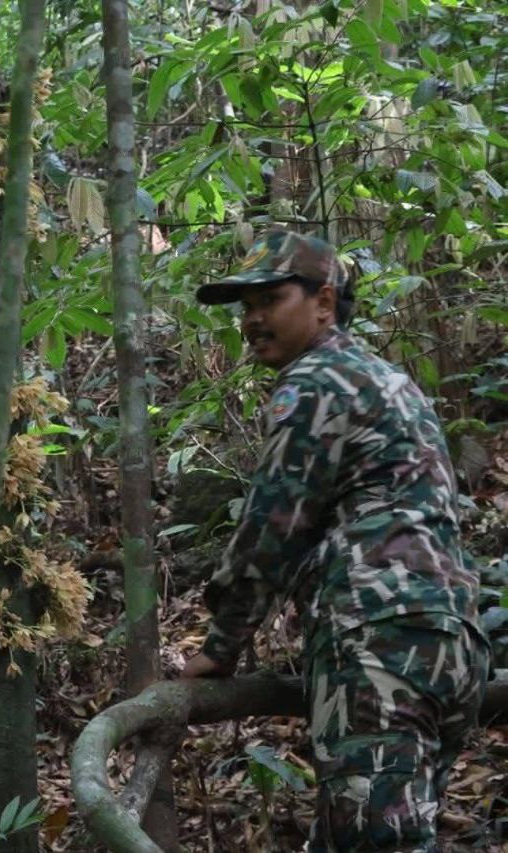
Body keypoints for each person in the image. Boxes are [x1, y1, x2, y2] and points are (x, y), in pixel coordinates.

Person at [180, 231, 489, 850]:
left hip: (380, 643)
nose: (253, 319)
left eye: (270, 300)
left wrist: (221, 645)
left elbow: (272, 524)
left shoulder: (315, 381)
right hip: (451, 641)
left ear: (324, 302)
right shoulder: (386, 378)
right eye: (247, 307)